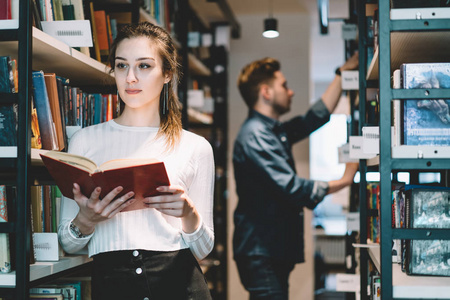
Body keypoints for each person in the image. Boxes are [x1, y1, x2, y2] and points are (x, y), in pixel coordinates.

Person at [58, 22, 214, 300]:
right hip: (112, 285)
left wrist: (188, 214)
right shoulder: (84, 141)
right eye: (121, 65)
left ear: (167, 74)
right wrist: (85, 220)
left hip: (179, 286)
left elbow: (202, 249)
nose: (130, 77)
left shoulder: (195, 147)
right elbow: (68, 243)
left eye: (144, 66)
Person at [232, 54, 360, 299]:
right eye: (284, 85)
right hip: (262, 251)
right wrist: (344, 180)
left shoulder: (271, 131)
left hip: (271, 249)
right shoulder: (256, 136)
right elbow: (292, 188)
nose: (290, 92)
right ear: (266, 92)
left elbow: (313, 119)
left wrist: (341, 73)